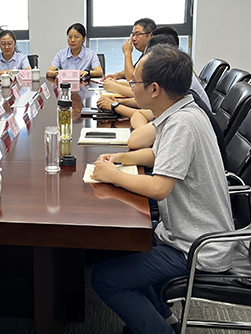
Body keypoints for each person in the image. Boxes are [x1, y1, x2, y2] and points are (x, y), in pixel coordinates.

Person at [90, 45, 235, 334]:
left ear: (154, 89)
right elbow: (159, 155)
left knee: (106, 279)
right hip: (187, 233)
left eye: (135, 82)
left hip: (196, 248)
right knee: (120, 247)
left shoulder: (181, 124)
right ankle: (163, 319)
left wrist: (114, 176)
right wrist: (120, 159)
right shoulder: (184, 110)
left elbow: (158, 188)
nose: (131, 87)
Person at [102, 18, 156, 82]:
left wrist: (127, 53)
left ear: (151, 36)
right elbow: (134, 70)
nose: (133, 39)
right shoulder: (145, 53)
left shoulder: (154, 55)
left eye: (138, 34)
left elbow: (133, 81)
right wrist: (117, 75)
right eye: (133, 35)